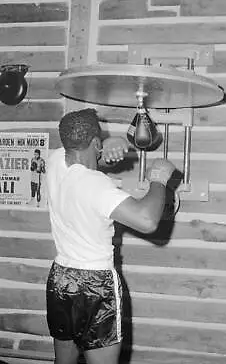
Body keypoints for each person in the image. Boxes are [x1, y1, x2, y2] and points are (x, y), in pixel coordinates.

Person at [45, 108, 175, 364]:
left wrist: (109, 148)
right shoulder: (97, 185)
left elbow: (86, 160)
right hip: (95, 282)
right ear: (95, 142)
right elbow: (146, 221)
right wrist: (158, 178)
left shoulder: (55, 161)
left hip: (60, 278)